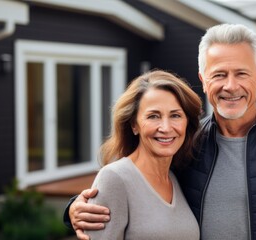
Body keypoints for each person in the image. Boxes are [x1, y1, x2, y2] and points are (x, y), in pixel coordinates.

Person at [64, 24, 256, 240]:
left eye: (242, 73)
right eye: (219, 75)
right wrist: (74, 208)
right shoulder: (185, 142)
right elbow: (134, 182)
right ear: (203, 79)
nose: (231, 86)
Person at [79, 70, 201, 239]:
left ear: (187, 123)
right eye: (153, 116)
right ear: (134, 125)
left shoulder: (175, 177)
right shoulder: (114, 178)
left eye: (175, 115)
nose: (165, 128)